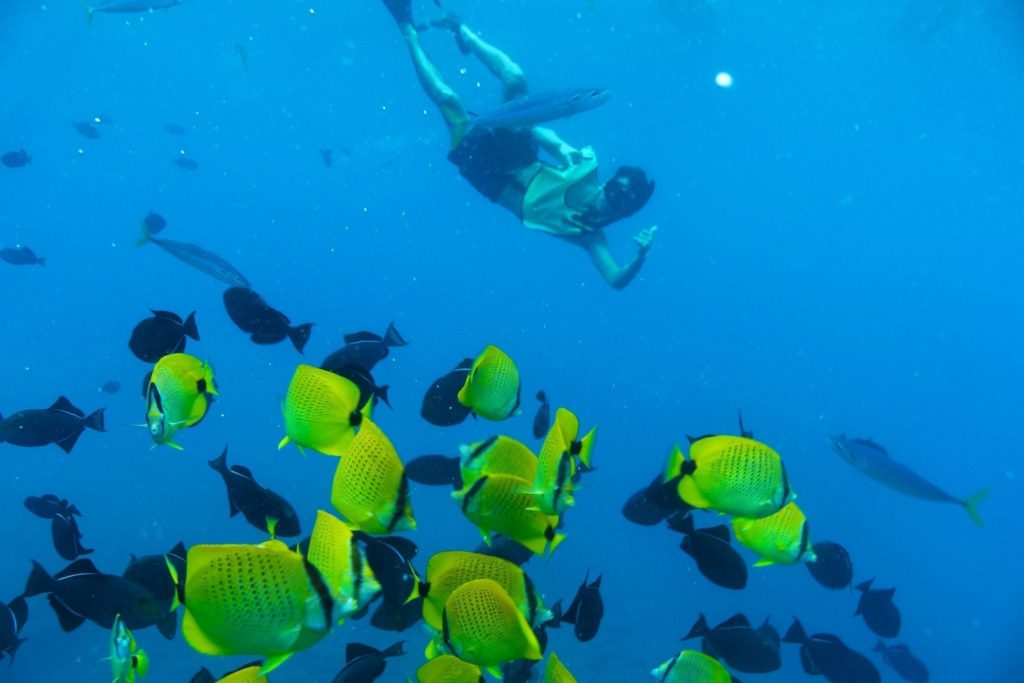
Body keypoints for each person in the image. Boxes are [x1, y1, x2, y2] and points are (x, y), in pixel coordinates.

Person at [382, 0, 658, 290]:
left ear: (626, 212)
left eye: (622, 201)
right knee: (515, 77)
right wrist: (553, 143)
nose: (610, 199)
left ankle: (407, 28)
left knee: (448, 99)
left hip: (490, 178)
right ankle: (462, 30)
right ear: (609, 181)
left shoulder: (589, 235)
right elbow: (544, 136)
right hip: (521, 159)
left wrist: (639, 257)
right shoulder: (586, 168)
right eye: (615, 189)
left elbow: (615, 279)